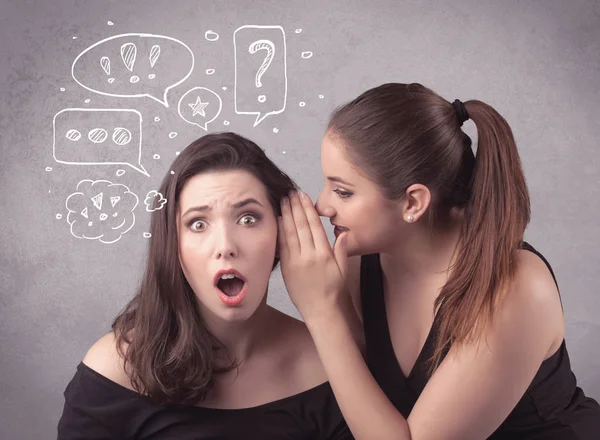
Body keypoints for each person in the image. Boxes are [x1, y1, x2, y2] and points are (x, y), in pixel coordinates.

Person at [277, 83, 600, 439]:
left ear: (413, 202)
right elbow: (366, 396)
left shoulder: (516, 288)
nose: (323, 206)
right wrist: (335, 305)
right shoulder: (360, 261)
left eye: (343, 191)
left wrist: (322, 314)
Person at [57, 132, 353, 439]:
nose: (225, 246)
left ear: (283, 233)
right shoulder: (115, 369)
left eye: (248, 219)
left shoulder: (329, 367)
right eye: (198, 224)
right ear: (174, 245)